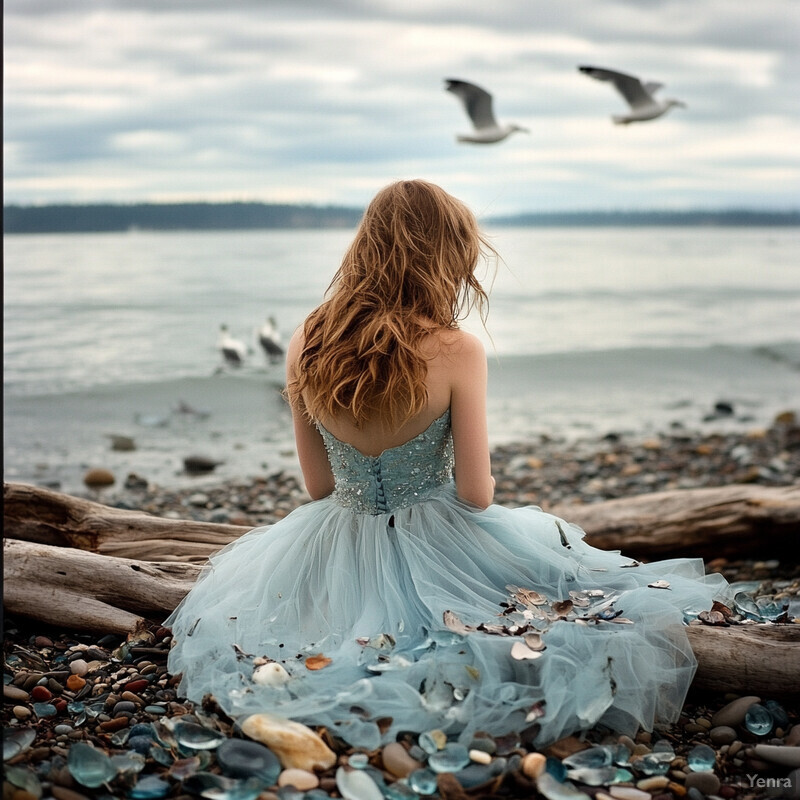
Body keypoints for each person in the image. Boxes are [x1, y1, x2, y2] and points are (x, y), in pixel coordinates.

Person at [166, 179, 728, 751]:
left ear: (365, 247)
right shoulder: (457, 349)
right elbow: (477, 493)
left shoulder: (306, 339)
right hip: (439, 531)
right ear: (447, 256)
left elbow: (317, 486)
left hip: (338, 535)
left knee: (304, 642)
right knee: (568, 612)